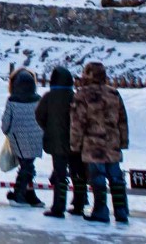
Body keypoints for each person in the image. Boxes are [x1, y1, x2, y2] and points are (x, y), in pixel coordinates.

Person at [71, 61, 130, 224]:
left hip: (92, 143)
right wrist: (123, 142)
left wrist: (75, 144)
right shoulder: (114, 94)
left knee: (97, 177)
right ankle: (121, 211)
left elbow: (77, 122)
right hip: (112, 143)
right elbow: (122, 120)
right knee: (116, 178)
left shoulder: (82, 95)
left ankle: (101, 210)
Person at [36, 65, 87, 218]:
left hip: (56, 142)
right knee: (77, 173)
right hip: (75, 141)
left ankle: (58, 207)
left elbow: (39, 115)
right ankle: (79, 204)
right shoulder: (75, 96)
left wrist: (49, 128)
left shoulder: (48, 97)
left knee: (60, 174)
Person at [1, 68, 45, 207]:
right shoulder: (38, 99)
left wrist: (7, 131)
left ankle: (18, 195)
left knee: (26, 166)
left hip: (17, 137)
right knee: (28, 165)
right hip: (37, 136)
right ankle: (29, 195)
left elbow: (6, 122)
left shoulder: (12, 100)